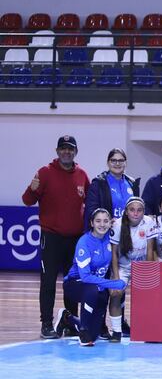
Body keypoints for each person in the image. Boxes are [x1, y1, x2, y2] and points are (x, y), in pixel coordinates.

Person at [22, 135, 90, 339]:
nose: (66, 152)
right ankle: (46, 324)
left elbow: (90, 203)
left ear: (75, 152)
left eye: (70, 149)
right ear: (57, 151)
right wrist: (32, 189)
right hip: (51, 237)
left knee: (72, 281)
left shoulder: (82, 175)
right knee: (48, 281)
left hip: (75, 239)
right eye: (63, 148)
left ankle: (70, 322)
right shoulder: (45, 173)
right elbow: (27, 200)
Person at [62, 208, 126, 346]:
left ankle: (67, 318)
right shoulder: (84, 242)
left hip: (99, 286)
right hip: (75, 284)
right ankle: (83, 331)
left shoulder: (111, 238)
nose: (102, 224)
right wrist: (113, 283)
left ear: (110, 223)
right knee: (92, 289)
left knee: (94, 334)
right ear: (91, 223)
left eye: (105, 221)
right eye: (98, 221)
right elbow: (85, 277)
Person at [109, 197, 157, 342]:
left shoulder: (149, 222)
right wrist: (116, 278)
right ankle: (116, 331)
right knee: (115, 294)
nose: (135, 213)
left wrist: (147, 273)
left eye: (139, 210)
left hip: (141, 265)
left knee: (148, 295)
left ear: (143, 212)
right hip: (123, 266)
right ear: (126, 212)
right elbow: (114, 254)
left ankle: (145, 329)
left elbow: (150, 250)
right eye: (132, 210)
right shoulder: (117, 225)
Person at [84, 148, 140, 227]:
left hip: (130, 230)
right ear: (108, 163)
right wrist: (107, 221)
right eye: (113, 160)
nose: (117, 164)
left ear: (126, 163)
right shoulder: (98, 183)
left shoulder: (132, 183)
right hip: (106, 231)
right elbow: (91, 211)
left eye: (121, 160)